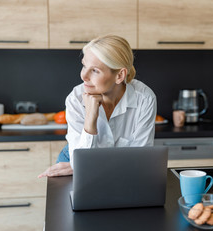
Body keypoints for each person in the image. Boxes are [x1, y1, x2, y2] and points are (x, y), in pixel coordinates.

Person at [38, 35, 157, 178]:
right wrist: (90, 116)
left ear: (119, 75)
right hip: (74, 160)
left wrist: (83, 166)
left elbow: (140, 160)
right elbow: (80, 164)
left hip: (92, 168)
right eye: (84, 65)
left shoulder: (144, 99)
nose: (83, 76)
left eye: (95, 70)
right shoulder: (75, 99)